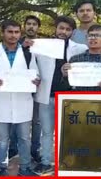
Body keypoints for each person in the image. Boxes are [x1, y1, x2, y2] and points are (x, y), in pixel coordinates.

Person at [0, 20, 40, 176]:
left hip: (23, 102)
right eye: (10, 32)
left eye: (16, 32)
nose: (13, 35)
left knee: (25, 138)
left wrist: (36, 79)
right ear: (2, 32)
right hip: (0, 102)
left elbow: (35, 73)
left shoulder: (28, 54)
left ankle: (25, 168)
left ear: (20, 33)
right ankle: (2, 168)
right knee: (2, 139)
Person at [29, 16, 87, 175]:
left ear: (72, 32)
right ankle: (46, 162)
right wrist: (34, 77)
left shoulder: (80, 48)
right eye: (61, 28)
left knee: (68, 132)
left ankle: (67, 163)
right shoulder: (42, 46)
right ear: (55, 28)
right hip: (46, 95)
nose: (64, 31)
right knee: (46, 132)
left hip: (68, 97)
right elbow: (33, 67)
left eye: (68, 29)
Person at [9, 15, 42, 163]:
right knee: (17, 119)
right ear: (24, 26)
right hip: (20, 88)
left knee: (36, 121)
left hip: (40, 87)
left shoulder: (45, 44)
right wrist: (23, 47)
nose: (31, 27)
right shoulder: (15, 43)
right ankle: (14, 148)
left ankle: (35, 150)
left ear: (38, 27)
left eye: (34, 24)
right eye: (28, 23)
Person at [62, 24, 101, 91]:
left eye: (97, 35)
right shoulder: (75, 60)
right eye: (90, 35)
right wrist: (65, 76)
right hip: (80, 99)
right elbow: (66, 86)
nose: (93, 38)